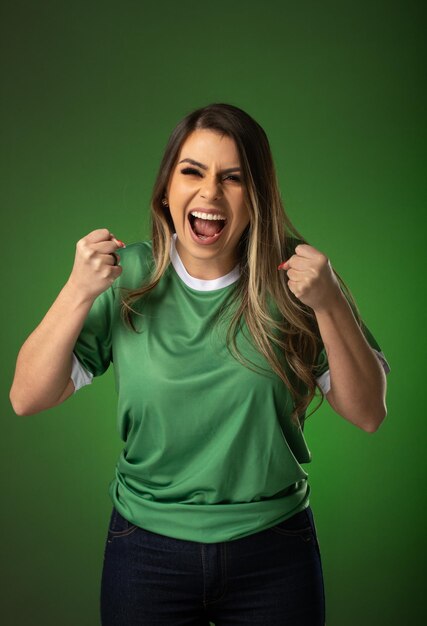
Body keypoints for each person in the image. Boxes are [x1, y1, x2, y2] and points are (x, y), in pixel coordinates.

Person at [10, 103, 390, 625]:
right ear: (167, 190)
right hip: (145, 550)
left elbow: (369, 412)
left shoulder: (298, 279)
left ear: (256, 200)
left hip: (274, 550)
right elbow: (26, 397)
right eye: (193, 171)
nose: (210, 193)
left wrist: (329, 303)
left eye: (232, 178)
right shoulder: (126, 277)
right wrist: (77, 290)